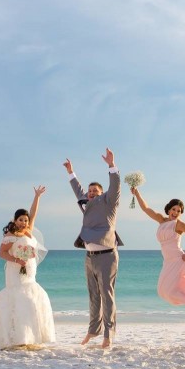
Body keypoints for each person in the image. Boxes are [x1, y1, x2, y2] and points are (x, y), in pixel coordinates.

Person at [64, 148, 122, 348]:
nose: (90, 194)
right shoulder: (86, 204)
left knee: (107, 294)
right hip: (89, 257)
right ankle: (93, 330)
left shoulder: (109, 202)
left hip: (107, 256)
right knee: (93, 295)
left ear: (102, 193)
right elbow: (77, 190)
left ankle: (108, 334)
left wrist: (111, 165)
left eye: (94, 191)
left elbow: (115, 186)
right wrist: (71, 172)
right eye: (89, 192)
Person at [0, 186, 55, 349]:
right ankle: (16, 338)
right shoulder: (10, 236)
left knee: (31, 301)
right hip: (15, 271)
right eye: (21, 220)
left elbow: (33, 212)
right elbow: (1, 253)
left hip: (30, 272)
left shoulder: (29, 232)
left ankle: (29, 337)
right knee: (20, 300)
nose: (24, 222)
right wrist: (17, 260)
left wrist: (37, 197)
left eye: (25, 220)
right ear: (15, 221)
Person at [130, 186, 185, 309]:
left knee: (168, 291)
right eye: (174, 209)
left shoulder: (179, 224)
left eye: (179, 211)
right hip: (168, 261)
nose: (176, 213)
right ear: (169, 210)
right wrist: (137, 194)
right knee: (162, 290)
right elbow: (146, 209)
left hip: (179, 259)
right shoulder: (161, 220)